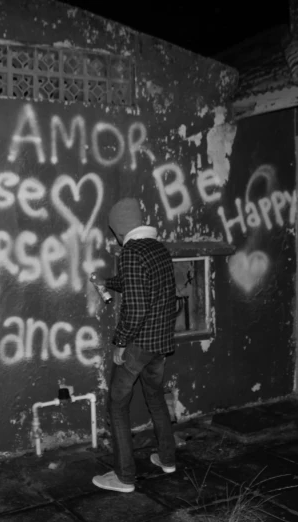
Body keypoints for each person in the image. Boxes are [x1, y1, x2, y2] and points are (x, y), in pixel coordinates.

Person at [90, 197, 178, 493]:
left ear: (118, 231)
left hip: (138, 346)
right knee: (155, 399)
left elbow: (137, 307)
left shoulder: (131, 252)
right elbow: (140, 282)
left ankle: (124, 476)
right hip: (160, 344)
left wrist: (119, 343)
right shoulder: (158, 249)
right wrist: (107, 282)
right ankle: (167, 459)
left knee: (117, 406)